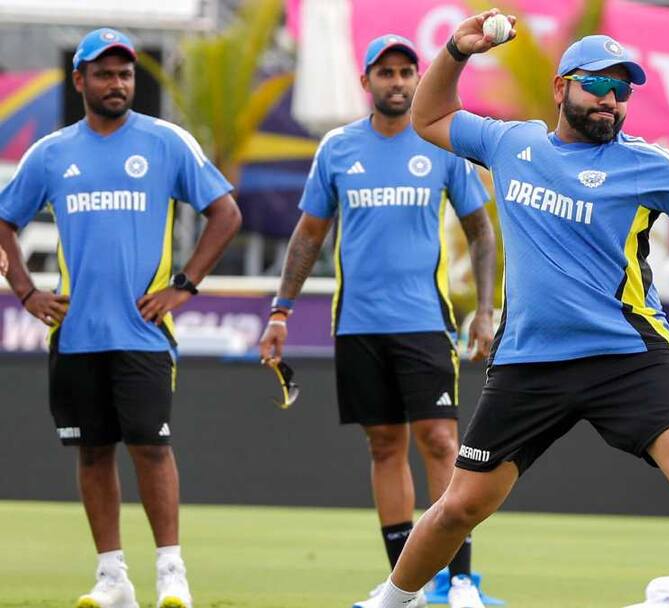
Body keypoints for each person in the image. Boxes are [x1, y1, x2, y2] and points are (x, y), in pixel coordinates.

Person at [360, 11, 669, 608]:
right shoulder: (512, 144)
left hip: (627, 352)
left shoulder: (648, 164)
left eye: (622, 91)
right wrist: (456, 51)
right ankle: (390, 602)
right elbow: (429, 117)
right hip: (530, 360)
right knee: (461, 505)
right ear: (561, 87)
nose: (611, 100)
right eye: (597, 84)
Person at [0, 28, 241, 608]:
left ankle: (171, 573)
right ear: (79, 80)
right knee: (91, 451)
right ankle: (113, 578)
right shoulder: (51, 153)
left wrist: (184, 285)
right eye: (104, 74)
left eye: (125, 74)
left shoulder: (165, 142)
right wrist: (26, 291)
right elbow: (4, 222)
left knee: (152, 448)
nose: (117, 83)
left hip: (143, 334)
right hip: (75, 333)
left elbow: (226, 213)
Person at [257, 34, 496, 608]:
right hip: (359, 325)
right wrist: (280, 310)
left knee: (441, 442)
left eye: (406, 72)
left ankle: (459, 581)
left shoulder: (439, 143)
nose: (397, 81)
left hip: (425, 323)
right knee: (385, 446)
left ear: (418, 79)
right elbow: (308, 236)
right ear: (366, 82)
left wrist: (485, 311)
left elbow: (481, 232)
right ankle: (405, 587)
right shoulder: (338, 148)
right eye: (385, 72)